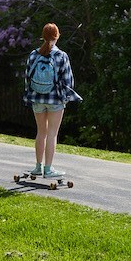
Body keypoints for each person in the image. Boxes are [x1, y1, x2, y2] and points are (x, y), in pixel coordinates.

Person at [22, 23, 81, 178]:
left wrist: (31, 95)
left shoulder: (33, 55)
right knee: (52, 134)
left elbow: (27, 78)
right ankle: (48, 169)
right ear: (57, 36)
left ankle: (38, 167)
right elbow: (68, 82)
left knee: (41, 132)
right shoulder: (61, 56)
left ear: (43, 36)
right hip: (55, 100)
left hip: (37, 99)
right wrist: (65, 98)